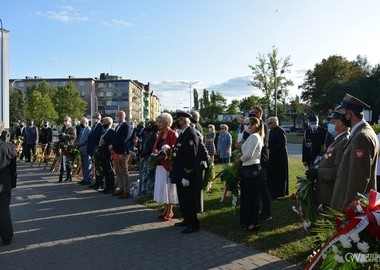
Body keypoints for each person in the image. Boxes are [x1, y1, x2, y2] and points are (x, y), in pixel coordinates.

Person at [330, 94, 378, 211]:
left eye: (342, 112)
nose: (341, 116)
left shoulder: (361, 136)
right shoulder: (361, 133)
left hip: (352, 205)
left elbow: (359, 178)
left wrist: (349, 208)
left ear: (349, 113)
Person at [170, 110, 208, 233]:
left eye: (179, 119)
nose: (178, 122)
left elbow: (192, 156)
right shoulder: (183, 133)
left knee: (189, 199)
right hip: (180, 171)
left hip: (188, 172)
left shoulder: (191, 134)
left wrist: (187, 174)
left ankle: (193, 224)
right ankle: (187, 219)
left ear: (185, 120)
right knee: (183, 198)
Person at [306, 108, 350, 207]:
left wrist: (318, 173)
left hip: (331, 193)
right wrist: (317, 167)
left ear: (343, 124)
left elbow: (340, 171)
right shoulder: (337, 140)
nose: (330, 122)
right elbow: (328, 159)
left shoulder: (344, 141)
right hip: (325, 190)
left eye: (333, 120)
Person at [238, 117, 264, 232]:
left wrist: (239, 160)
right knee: (248, 196)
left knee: (251, 197)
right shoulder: (252, 136)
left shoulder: (254, 136)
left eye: (248, 124)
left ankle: (253, 223)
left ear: (254, 125)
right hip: (249, 167)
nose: (246, 126)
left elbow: (249, 154)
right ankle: (248, 221)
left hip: (251, 168)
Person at [153, 113, 178, 221]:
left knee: (168, 189)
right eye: (158, 121)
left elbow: (174, 150)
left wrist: (167, 154)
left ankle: (170, 211)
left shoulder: (172, 134)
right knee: (162, 188)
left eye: (160, 122)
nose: (158, 124)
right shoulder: (160, 133)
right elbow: (156, 146)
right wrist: (155, 154)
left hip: (168, 166)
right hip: (159, 165)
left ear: (167, 122)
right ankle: (165, 210)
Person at [248, 106, 272, 222]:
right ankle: (256, 209)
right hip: (253, 159)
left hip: (261, 159)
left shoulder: (264, 126)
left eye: (253, 113)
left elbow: (262, 144)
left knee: (263, 187)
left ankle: (267, 213)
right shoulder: (252, 125)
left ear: (258, 113)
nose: (251, 115)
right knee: (255, 187)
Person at [0, 121, 17, 245]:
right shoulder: (9, 147)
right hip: (4, 184)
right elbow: (13, 168)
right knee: (4, 210)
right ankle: (7, 236)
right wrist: (13, 183)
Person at [267, 116, 289, 198]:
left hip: (279, 157)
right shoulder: (271, 131)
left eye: (270, 123)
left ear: (275, 123)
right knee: (273, 175)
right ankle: (272, 191)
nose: (268, 124)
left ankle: (279, 192)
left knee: (279, 175)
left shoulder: (280, 131)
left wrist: (271, 150)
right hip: (273, 157)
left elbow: (282, 144)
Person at [110, 111, 130, 198]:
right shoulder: (118, 126)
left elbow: (123, 140)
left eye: (117, 116)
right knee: (118, 171)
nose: (116, 117)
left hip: (122, 152)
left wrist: (113, 145)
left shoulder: (126, 126)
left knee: (124, 172)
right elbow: (115, 138)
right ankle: (121, 188)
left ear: (122, 116)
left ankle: (126, 191)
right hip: (115, 152)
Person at [139, 120, 158, 199]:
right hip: (145, 157)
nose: (146, 128)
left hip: (150, 158)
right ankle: (144, 192)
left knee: (150, 175)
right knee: (144, 175)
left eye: (148, 126)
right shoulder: (148, 135)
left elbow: (151, 148)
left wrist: (143, 154)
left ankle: (150, 193)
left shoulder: (154, 136)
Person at [98, 117, 116, 194]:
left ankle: (111, 187)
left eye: (105, 122)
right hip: (103, 154)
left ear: (109, 123)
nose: (103, 124)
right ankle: (107, 187)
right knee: (105, 171)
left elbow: (112, 143)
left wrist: (104, 143)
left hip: (108, 154)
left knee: (109, 171)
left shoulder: (111, 132)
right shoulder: (104, 132)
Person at [87, 112, 105, 190]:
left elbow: (100, 137)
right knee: (95, 166)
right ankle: (96, 182)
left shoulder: (100, 126)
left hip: (96, 148)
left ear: (99, 118)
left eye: (95, 117)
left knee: (98, 166)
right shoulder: (94, 126)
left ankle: (100, 183)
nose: (93, 118)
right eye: (93, 117)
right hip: (92, 148)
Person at [58, 116, 77, 182]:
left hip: (69, 147)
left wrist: (66, 135)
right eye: (64, 120)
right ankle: (62, 177)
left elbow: (74, 137)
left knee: (68, 163)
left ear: (70, 121)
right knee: (63, 162)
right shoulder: (63, 128)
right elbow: (61, 136)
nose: (65, 122)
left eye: (67, 120)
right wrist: (60, 136)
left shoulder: (72, 128)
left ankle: (69, 176)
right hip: (63, 146)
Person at [76, 117, 92, 185]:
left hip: (86, 150)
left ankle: (88, 179)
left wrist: (78, 144)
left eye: (82, 123)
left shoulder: (88, 129)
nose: (81, 124)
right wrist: (76, 143)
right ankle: (84, 178)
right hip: (81, 150)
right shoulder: (82, 129)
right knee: (83, 165)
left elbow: (85, 140)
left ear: (86, 123)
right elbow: (79, 138)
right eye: (81, 123)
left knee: (87, 165)